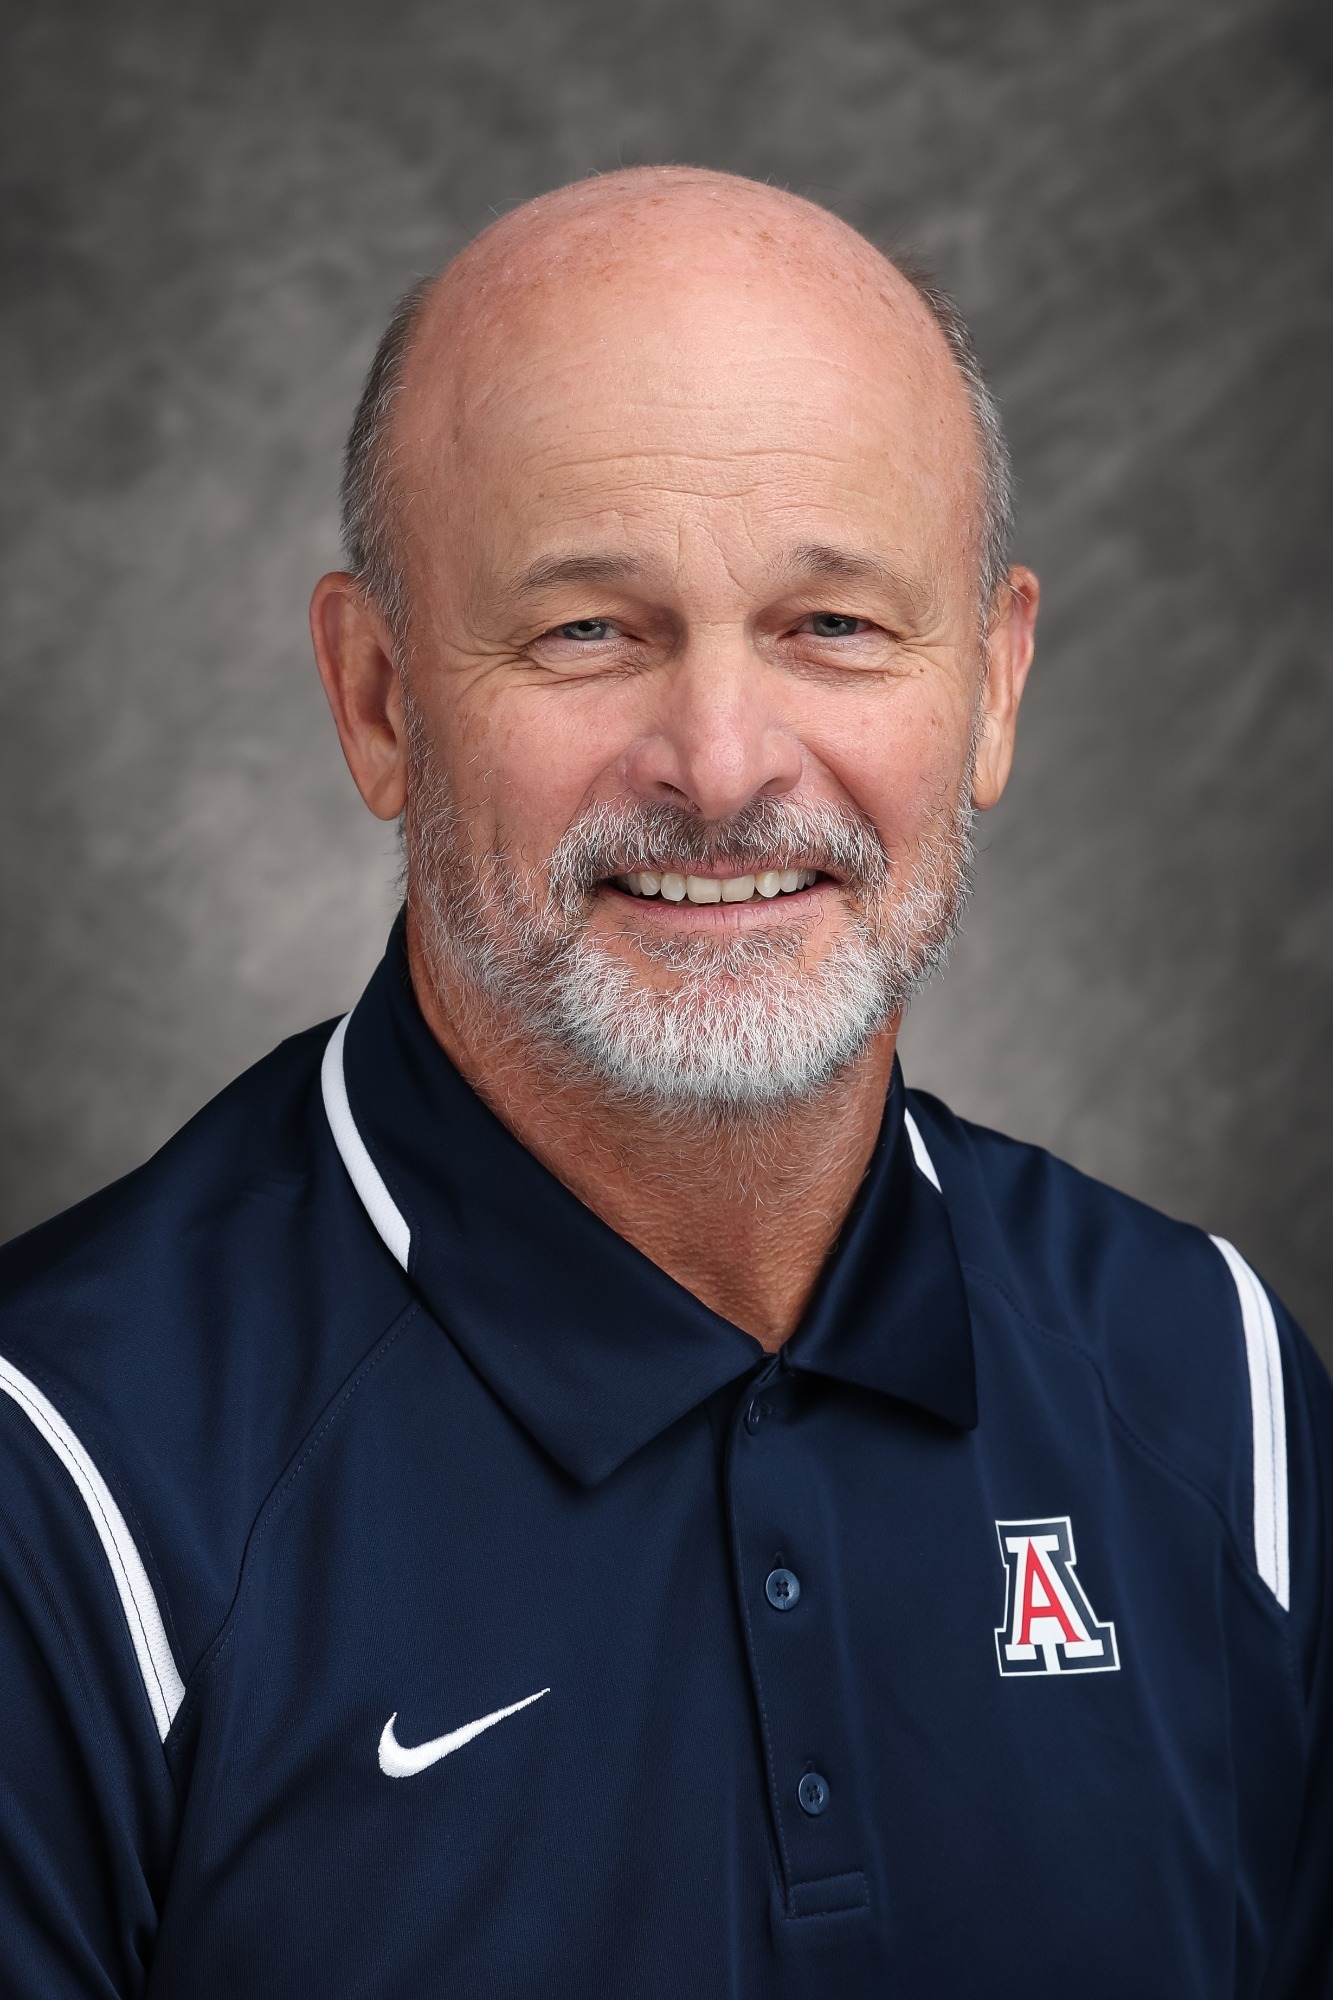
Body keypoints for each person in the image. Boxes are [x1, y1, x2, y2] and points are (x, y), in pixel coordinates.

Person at [0, 166, 1327, 1999]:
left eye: (834, 626)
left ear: (995, 687)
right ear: (378, 699)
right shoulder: (59, 1482)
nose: (718, 767)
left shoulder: (1220, 1388)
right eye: (586, 631)